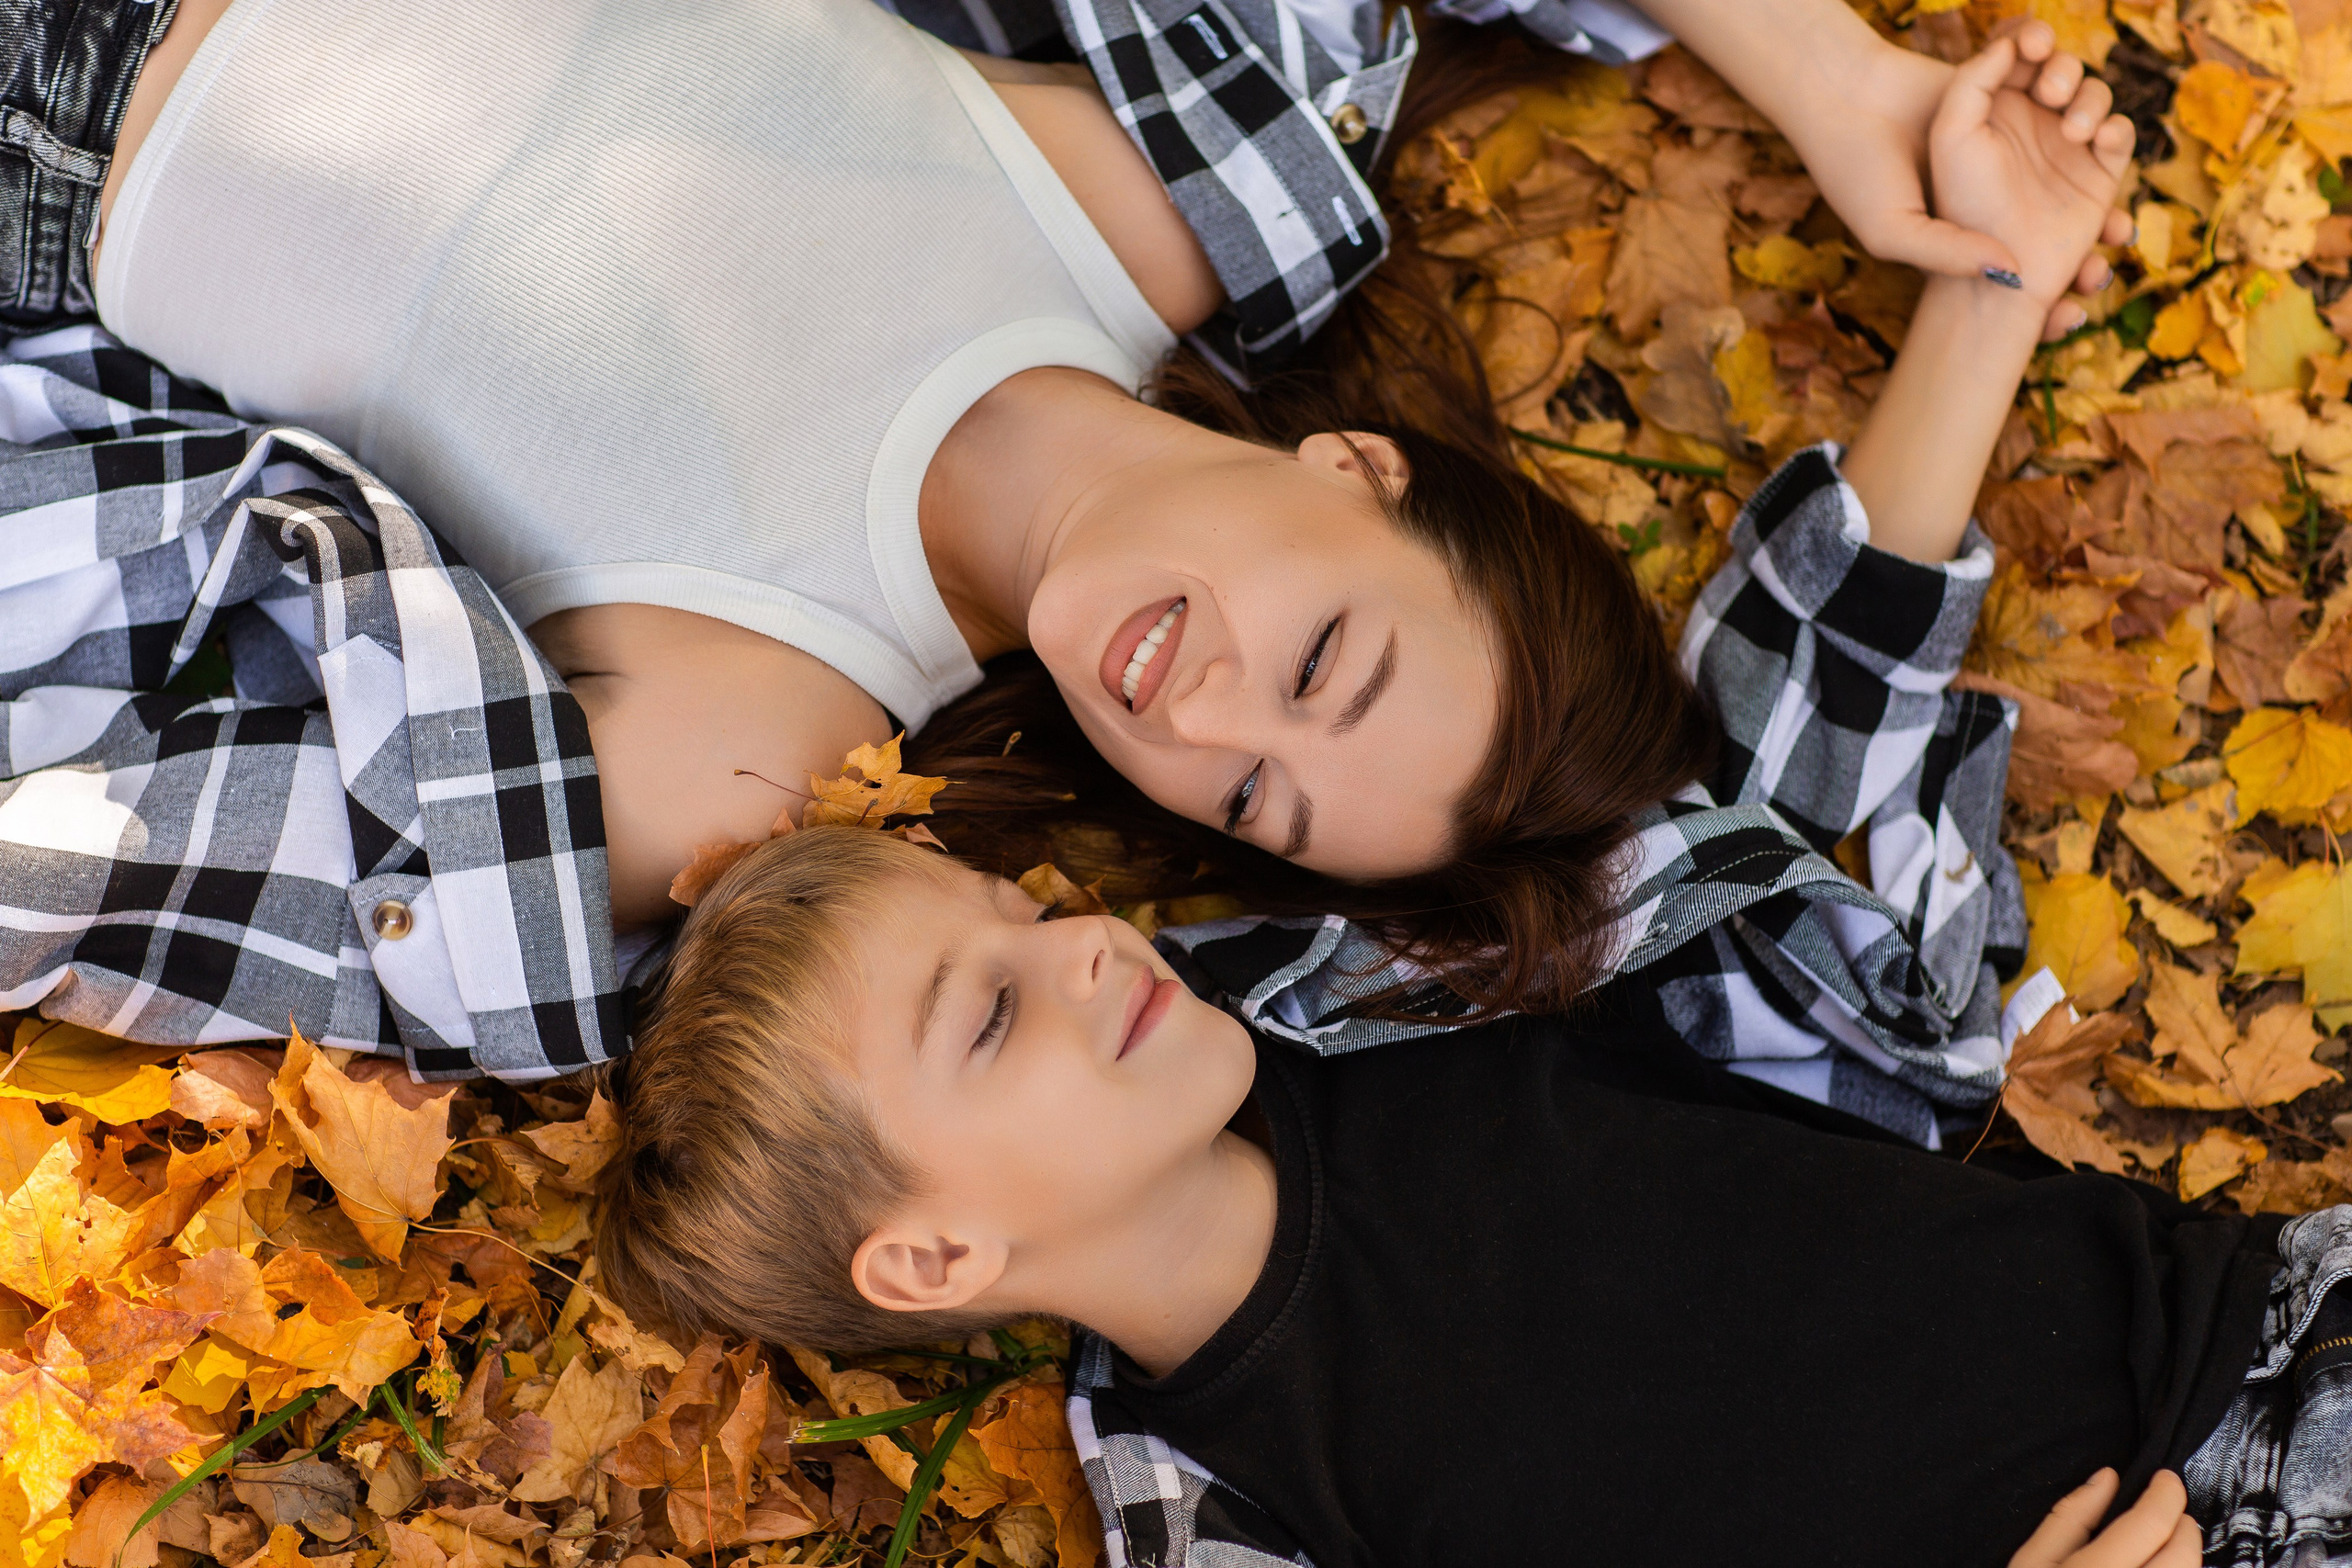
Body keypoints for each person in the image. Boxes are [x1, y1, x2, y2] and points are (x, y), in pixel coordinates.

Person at [0, 0, 2122, 1104]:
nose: (1201, 714)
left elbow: (1785, 930)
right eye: (1324, 662)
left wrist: (1984, 325)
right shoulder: (1179, 183)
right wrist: (1859, 104)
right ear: (1358, 468)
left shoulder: (750, 733)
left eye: (1253, 794)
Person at [593, 825, 2351, 1568]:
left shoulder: (1382, 1006)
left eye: (1024, 911)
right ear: (935, 1256)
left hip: (2265, 1316)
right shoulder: (1235, 1509)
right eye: (987, 1016)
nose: (1084, 946)